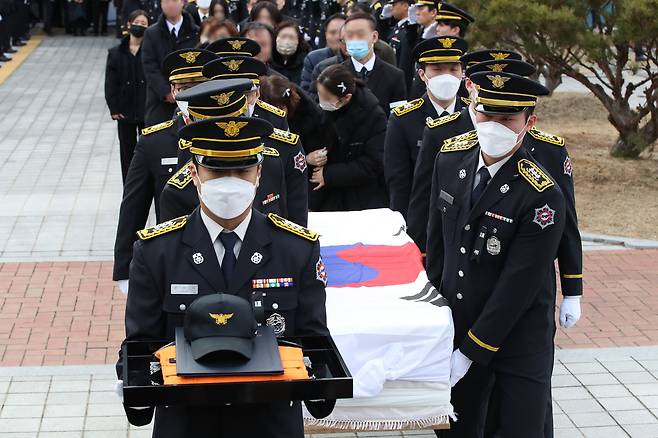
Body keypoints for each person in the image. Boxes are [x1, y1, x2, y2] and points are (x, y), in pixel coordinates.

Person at [117, 116, 328, 438]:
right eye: (216, 172)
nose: (230, 183)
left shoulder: (295, 247)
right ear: (194, 174)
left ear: (259, 173)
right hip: (188, 420)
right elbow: (141, 341)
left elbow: (313, 337)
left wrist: (321, 386)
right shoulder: (157, 251)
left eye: (242, 171)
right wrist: (137, 389)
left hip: (269, 420)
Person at [426, 71, 565, 437]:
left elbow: (518, 285)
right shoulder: (451, 161)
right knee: (458, 426)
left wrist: (471, 350)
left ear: (529, 122)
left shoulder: (542, 194)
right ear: (472, 109)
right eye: (487, 114)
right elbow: (438, 248)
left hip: (517, 334)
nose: (494, 126)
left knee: (518, 426)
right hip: (460, 321)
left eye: (508, 119)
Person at [112, 48, 217, 295]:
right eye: (183, 88)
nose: (190, 94)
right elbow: (133, 207)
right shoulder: (154, 141)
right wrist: (125, 270)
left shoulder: (232, 136)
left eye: (198, 86)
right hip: (175, 256)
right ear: (173, 92)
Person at [406, 49, 524, 256]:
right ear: (469, 83)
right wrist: (421, 251)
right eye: (485, 83)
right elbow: (426, 197)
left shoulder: (545, 148)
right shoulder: (440, 133)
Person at [159, 78, 289, 223]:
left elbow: (284, 229)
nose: (225, 132)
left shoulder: (271, 164)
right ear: (194, 173)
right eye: (213, 127)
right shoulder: (177, 193)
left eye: (233, 121)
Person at [203, 54, 309, 226]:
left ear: (257, 93)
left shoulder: (284, 144)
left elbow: (296, 209)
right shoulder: (197, 142)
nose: (239, 104)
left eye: (246, 94)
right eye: (230, 95)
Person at [384, 36, 468, 220]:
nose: (446, 76)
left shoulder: (474, 115)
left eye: (453, 69)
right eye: (437, 70)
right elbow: (399, 182)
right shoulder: (403, 119)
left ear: (462, 74)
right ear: (423, 75)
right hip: (422, 217)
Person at [310, 64, 388, 211]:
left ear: (346, 98)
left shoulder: (373, 116)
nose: (320, 100)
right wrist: (309, 157)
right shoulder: (317, 106)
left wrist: (329, 175)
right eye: (319, 93)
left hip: (360, 197)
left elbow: (373, 163)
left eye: (326, 97)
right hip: (322, 196)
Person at [104, 9, 149, 182]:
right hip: (125, 109)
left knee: (148, 150)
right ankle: (129, 185)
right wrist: (113, 108)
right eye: (137, 23)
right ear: (129, 25)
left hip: (147, 109)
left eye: (144, 24)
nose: (139, 26)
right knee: (127, 152)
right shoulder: (116, 52)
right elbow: (110, 83)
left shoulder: (150, 51)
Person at [141, 0, 199, 125]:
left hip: (191, 98)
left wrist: (186, 90)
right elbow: (149, 66)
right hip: (159, 101)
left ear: (183, 3)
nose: (170, 5)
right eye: (166, 1)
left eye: (174, 0)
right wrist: (166, 92)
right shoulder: (151, 33)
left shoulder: (195, 32)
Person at [340, 12, 406, 116]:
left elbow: (398, 119)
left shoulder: (394, 76)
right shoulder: (337, 74)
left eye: (360, 35)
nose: (355, 39)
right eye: (349, 35)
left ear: (374, 36)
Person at [300, 12, 345, 92]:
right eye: (332, 32)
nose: (338, 37)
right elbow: (307, 92)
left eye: (342, 32)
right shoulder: (313, 58)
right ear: (326, 35)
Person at [270, 20, 309, 85]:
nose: (287, 41)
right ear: (276, 38)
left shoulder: (306, 62)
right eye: (283, 36)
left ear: (299, 41)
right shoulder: (267, 61)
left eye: (291, 37)